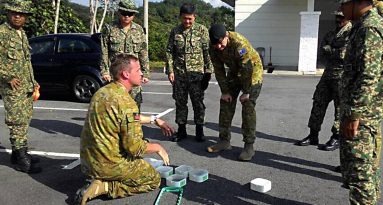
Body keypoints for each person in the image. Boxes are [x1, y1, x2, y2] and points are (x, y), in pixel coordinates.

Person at [75, 54, 174, 205]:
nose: (142, 73)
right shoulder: (126, 103)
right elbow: (134, 148)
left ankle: (100, 177)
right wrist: (157, 147)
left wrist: (154, 120)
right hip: (108, 164)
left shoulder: (102, 92)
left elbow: (124, 118)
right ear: (125, 74)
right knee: (153, 178)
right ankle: (106, 186)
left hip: (88, 162)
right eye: (138, 70)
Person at [338, 0, 383, 204]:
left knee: (360, 173)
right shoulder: (364, 25)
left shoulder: (370, 28)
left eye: (343, 3)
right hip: (366, 111)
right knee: (367, 167)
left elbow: (368, 76)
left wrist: (353, 114)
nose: (340, 8)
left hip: (362, 115)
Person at [295, 11, 352, 151]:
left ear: (347, 18)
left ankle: (336, 137)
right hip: (327, 75)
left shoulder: (352, 34)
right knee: (318, 103)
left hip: (342, 77)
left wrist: (331, 50)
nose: (338, 20)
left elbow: (346, 54)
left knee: (339, 109)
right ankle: (313, 135)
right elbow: (321, 52)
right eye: (336, 17)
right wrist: (334, 51)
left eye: (341, 17)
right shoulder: (331, 34)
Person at [207, 24, 263, 161]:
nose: (219, 47)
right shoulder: (213, 47)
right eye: (216, 45)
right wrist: (225, 91)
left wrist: (247, 91)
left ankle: (249, 145)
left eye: (221, 43)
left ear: (226, 36)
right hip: (234, 71)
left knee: (248, 104)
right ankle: (224, 141)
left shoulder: (239, 43)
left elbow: (247, 67)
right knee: (225, 102)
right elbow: (219, 70)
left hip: (252, 71)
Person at [0, 0, 41, 174]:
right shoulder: (2, 32)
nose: (18, 16)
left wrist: (34, 82)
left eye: (21, 14)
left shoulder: (21, 33)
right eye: (14, 13)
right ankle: (21, 159)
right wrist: (6, 76)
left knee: (24, 119)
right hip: (12, 86)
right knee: (16, 121)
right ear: (8, 13)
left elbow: (26, 62)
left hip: (25, 85)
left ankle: (18, 153)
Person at [165, 3, 213, 142]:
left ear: (194, 17)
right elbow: (169, 52)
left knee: (198, 103)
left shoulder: (202, 30)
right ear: (180, 17)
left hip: (197, 76)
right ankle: (181, 131)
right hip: (179, 75)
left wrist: (208, 73)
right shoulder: (175, 31)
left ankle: (199, 130)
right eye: (185, 18)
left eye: (190, 19)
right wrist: (170, 70)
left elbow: (207, 53)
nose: (187, 21)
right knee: (180, 103)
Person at [100, 0, 149, 110]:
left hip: (133, 74)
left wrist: (145, 73)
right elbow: (104, 51)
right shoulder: (109, 28)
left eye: (130, 14)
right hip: (116, 75)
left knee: (135, 105)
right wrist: (105, 71)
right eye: (124, 13)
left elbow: (143, 52)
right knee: (115, 105)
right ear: (119, 12)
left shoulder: (138, 30)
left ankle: (134, 127)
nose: (127, 16)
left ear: (134, 15)